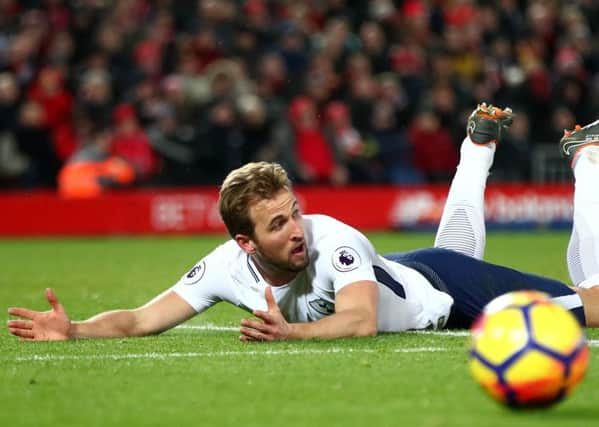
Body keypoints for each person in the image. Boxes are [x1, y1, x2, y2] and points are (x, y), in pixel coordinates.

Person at [7, 104, 599, 341]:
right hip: (414, 275)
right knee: (451, 256)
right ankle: (477, 152)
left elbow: (362, 321)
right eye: (276, 224)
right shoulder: (225, 267)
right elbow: (141, 318)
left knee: (593, 308)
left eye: (294, 211)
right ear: (245, 242)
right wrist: (76, 329)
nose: (296, 229)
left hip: (447, 291)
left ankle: (586, 160)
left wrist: (291, 334)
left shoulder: (333, 239)